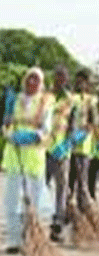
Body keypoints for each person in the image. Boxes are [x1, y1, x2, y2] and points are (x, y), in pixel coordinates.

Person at [1, 67, 54, 253]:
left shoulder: (45, 101)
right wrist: (9, 134)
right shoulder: (15, 100)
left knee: (33, 203)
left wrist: (30, 137)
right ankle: (13, 241)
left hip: (34, 158)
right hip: (15, 156)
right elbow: (6, 124)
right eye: (29, 78)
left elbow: (46, 130)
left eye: (36, 79)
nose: (32, 82)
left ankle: (31, 238)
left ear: (41, 83)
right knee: (12, 201)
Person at [45, 65, 74, 242]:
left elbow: (72, 125)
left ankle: (58, 224)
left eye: (63, 77)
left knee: (61, 188)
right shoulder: (46, 96)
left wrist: (65, 145)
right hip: (43, 148)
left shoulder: (70, 100)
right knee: (41, 185)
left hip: (61, 150)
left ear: (67, 79)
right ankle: (39, 218)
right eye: (57, 76)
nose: (60, 80)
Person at [68, 69, 98, 209]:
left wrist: (82, 134)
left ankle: (84, 209)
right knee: (70, 179)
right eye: (78, 81)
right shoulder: (71, 98)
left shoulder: (91, 100)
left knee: (83, 181)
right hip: (69, 146)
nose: (80, 84)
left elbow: (93, 122)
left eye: (83, 81)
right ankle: (69, 209)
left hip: (84, 146)